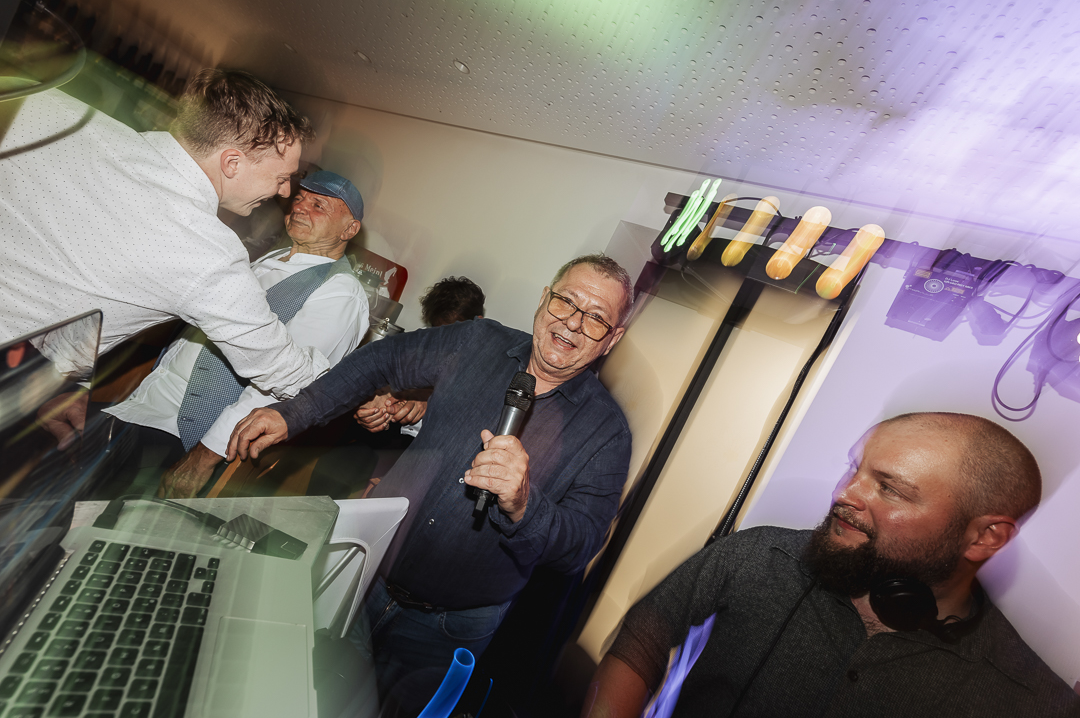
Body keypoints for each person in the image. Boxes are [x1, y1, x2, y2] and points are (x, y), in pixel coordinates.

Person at [228, 253, 634, 706]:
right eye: (566, 301)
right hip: (364, 577)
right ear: (544, 298)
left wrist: (524, 504)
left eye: (596, 317)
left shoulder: (607, 433)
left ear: (613, 338)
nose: (573, 323)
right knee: (299, 692)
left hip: (449, 630)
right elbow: (380, 360)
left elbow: (579, 546)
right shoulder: (477, 341)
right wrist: (296, 412)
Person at [582, 412, 1080, 718]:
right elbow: (643, 637)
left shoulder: (1025, 697)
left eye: (890, 488)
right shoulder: (760, 556)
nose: (845, 494)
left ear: (984, 537)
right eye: (854, 469)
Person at [0, 68, 325, 447]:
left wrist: (65, 384)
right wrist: (372, 386)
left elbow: (63, 274)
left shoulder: (54, 110)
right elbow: (286, 371)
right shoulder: (206, 252)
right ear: (232, 164)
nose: (285, 192)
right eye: (282, 178)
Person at [103, 171, 368, 499]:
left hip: (183, 431)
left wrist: (203, 457)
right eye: (299, 199)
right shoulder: (272, 258)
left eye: (318, 205)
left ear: (349, 229)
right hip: (143, 403)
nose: (300, 207)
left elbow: (287, 389)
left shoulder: (341, 292)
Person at [355, 275, 486, 435]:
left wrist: (427, 399)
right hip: (398, 434)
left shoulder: (487, 362)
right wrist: (380, 406)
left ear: (478, 322)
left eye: (454, 332)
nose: (444, 339)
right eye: (438, 330)